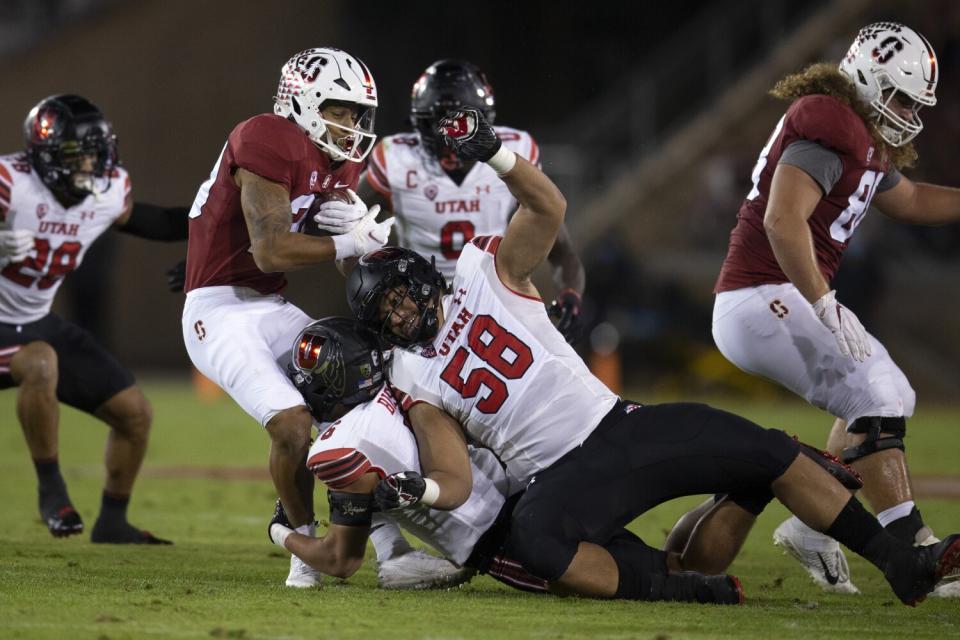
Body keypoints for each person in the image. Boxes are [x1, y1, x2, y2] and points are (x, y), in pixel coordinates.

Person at [345, 106, 960, 606]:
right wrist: (418, 491)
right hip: (557, 475)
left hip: (617, 426)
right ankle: (678, 591)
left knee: (771, 451)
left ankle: (900, 563)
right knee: (536, 539)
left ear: (420, 277)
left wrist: (494, 154)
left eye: (399, 298)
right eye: (386, 316)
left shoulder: (486, 270)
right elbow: (453, 480)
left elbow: (549, 210)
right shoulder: (412, 376)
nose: (399, 315)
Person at [707, 22, 960, 596]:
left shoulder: (861, 136)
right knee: (874, 393)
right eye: (896, 94)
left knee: (894, 393)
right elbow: (781, 219)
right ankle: (914, 546)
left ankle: (814, 520)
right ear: (866, 79)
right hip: (758, 295)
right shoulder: (831, 126)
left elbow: (913, 199)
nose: (903, 110)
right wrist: (822, 301)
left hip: (779, 292)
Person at [268, 317, 742, 603]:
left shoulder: (342, 448)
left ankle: (740, 509)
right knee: (675, 565)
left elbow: (340, 561)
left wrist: (283, 531)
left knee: (658, 583)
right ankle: (747, 489)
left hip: (501, 542)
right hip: (545, 488)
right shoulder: (404, 379)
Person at [180, 47, 396, 588]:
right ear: (304, 101)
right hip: (217, 307)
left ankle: (393, 550)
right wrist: (345, 238)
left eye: (356, 115)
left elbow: (350, 271)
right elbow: (270, 251)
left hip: (268, 306)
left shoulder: (338, 160)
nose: (351, 126)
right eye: (341, 110)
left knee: (366, 393)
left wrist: (363, 250)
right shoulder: (265, 137)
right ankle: (301, 541)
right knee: (293, 426)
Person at [1, 94, 190, 543]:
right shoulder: (10, 180)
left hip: (34, 319)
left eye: (96, 153)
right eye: (78, 155)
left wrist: (229, 211)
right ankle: (53, 492)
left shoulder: (108, 193)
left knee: (135, 414)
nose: (91, 164)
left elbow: (161, 223)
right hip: (17, 330)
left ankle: (112, 521)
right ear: (46, 157)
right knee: (41, 361)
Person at [357, 59, 584, 342]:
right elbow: (346, 212)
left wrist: (571, 295)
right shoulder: (396, 157)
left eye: (462, 124)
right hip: (419, 309)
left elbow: (560, 246)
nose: (451, 135)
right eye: (438, 124)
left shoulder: (512, 149)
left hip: (495, 301)